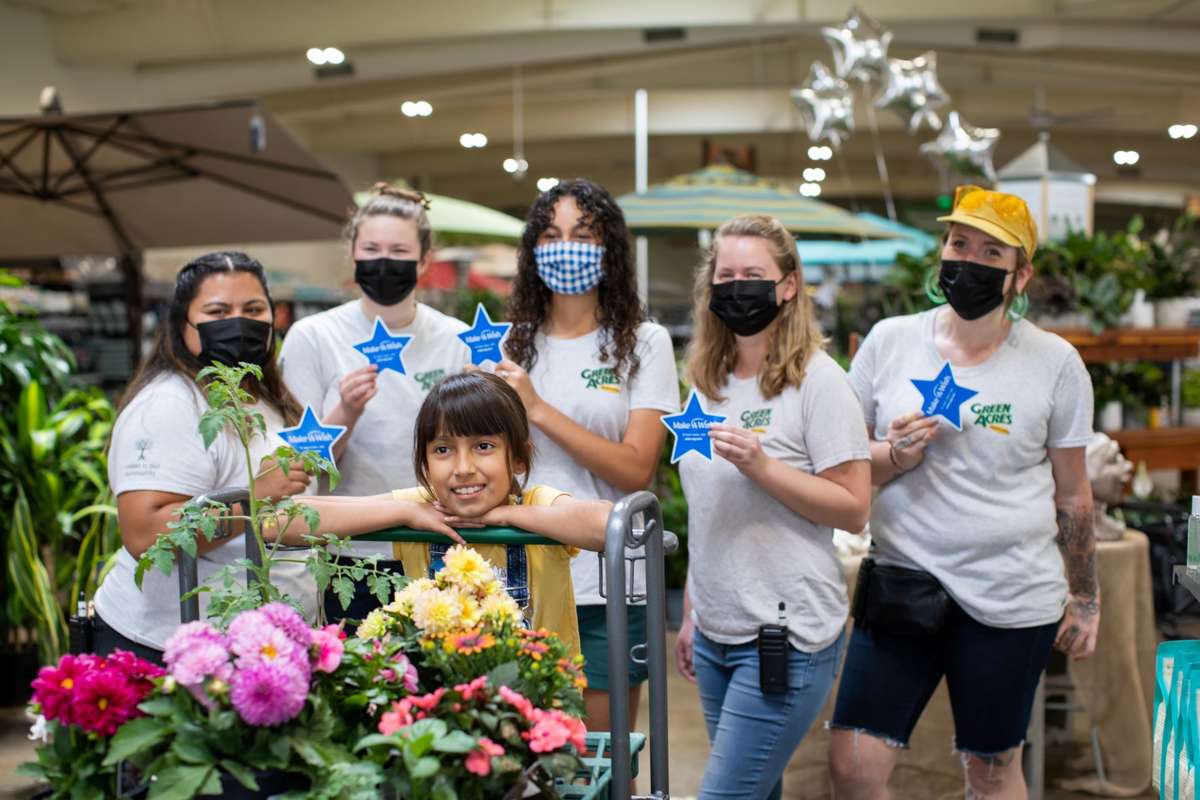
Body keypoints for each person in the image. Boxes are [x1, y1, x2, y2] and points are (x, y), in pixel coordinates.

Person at [828, 186, 1098, 800]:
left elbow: (1074, 494)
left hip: (1012, 595)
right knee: (851, 764)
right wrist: (894, 453)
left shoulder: (1056, 364)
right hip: (902, 582)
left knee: (993, 770)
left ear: (1020, 276)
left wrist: (1084, 596)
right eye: (958, 243)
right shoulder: (890, 340)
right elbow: (843, 464)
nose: (968, 261)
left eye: (990, 253)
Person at [673, 215, 872, 800]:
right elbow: (706, 514)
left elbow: (853, 508)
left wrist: (764, 467)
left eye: (753, 275)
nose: (737, 287)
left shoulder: (818, 382)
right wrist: (690, 612)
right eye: (725, 274)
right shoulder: (706, 384)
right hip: (714, 631)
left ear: (787, 286)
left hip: (785, 633)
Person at [496, 178, 680, 728]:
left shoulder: (643, 342)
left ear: (609, 248)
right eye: (550, 235)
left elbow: (635, 467)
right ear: (533, 252)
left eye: (583, 233)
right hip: (515, 577)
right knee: (522, 755)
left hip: (608, 583)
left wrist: (538, 408)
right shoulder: (502, 343)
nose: (565, 247)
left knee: (601, 761)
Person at [94, 252, 318, 662]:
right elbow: (145, 533)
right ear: (184, 324)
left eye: (253, 309)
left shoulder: (269, 398)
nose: (239, 322)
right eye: (218, 311)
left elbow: (301, 509)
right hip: (165, 648)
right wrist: (256, 493)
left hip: (256, 651)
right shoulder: (167, 405)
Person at [279, 183, 470, 622]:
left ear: (423, 261)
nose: (384, 261)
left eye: (399, 250)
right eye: (372, 248)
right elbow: (296, 468)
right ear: (353, 254)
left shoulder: (456, 340)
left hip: (440, 546)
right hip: (345, 553)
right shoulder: (314, 337)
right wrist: (346, 411)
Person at [388, 371, 611, 654]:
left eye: (483, 446)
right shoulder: (421, 507)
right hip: (440, 697)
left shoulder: (536, 502)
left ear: (519, 458)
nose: (464, 468)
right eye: (443, 449)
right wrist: (404, 513)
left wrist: (504, 516)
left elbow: (608, 524)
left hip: (540, 695)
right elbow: (314, 517)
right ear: (425, 466)